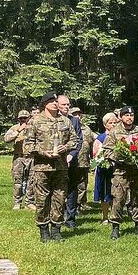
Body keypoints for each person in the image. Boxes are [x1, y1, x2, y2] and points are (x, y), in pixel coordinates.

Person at [23, 92, 77, 242]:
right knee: (42, 199)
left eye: (55, 101)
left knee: (59, 198)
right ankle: (43, 230)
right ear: (44, 104)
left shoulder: (65, 121)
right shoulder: (36, 121)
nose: (55, 103)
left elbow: (75, 140)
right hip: (42, 167)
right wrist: (43, 152)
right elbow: (28, 145)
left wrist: (65, 147)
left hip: (60, 167)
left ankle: (56, 229)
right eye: (51, 101)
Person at [103, 105, 138, 240]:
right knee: (118, 198)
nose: (129, 118)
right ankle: (115, 227)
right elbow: (106, 150)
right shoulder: (114, 132)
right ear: (121, 117)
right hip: (121, 171)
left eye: (132, 115)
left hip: (137, 171)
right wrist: (121, 156)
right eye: (126, 115)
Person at [57, 95, 84, 229]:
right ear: (57, 105)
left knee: (72, 189)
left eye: (68, 104)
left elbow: (79, 140)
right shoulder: (52, 120)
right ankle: (57, 216)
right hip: (56, 161)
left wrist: (72, 155)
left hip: (72, 161)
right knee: (57, 189)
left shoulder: (74, 121)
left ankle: (71, 218)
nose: (67, 107)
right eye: (64, 105)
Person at [3, 110, 34, 210]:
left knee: (32, 180)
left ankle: (30, 202)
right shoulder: (14, 128)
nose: (23, 120)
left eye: (25, 118)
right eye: (21, 118)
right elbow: (6, 139)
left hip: (31, 157)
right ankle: (17, 202)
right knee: (18, 181)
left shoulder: (33, 128)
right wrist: (18, 131)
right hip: (19, 157)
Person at [92, 112, 118, 223]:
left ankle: (114, 215)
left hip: (116, 169)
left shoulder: (118, 137)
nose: (113, 125)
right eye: (110, 123)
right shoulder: (100, 138)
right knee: (104, 193)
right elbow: (95, 155)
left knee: (116, 193)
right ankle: (105, 216)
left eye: (115, 122)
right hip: (104, 169)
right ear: (105, 124)